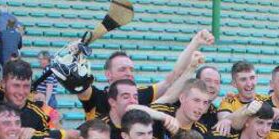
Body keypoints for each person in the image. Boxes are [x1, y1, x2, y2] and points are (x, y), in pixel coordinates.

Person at [77, 30, 214, 120]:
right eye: (123, 69)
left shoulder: (141, 93)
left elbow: (173, 77)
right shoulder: (96, 96)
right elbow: (76, 82)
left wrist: (195, 42)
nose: (129, 73)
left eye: (131, 69)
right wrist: (74, 53)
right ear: (108, 74)